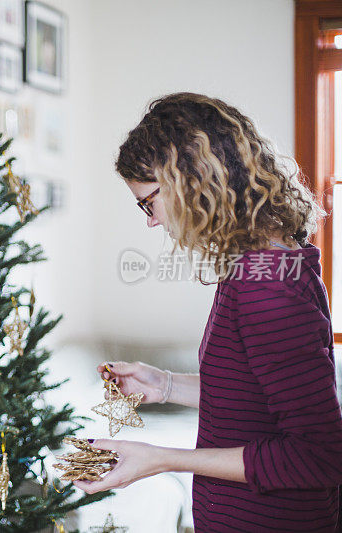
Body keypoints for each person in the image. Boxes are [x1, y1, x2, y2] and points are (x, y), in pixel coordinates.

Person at [75, 92, 342, 532]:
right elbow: (256, 399)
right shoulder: (258, 264)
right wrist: (163, 385)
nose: (151, 221)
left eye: (148, 202)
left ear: (189, 179)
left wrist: (160, 458)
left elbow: (318, 456)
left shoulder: (267, 285)